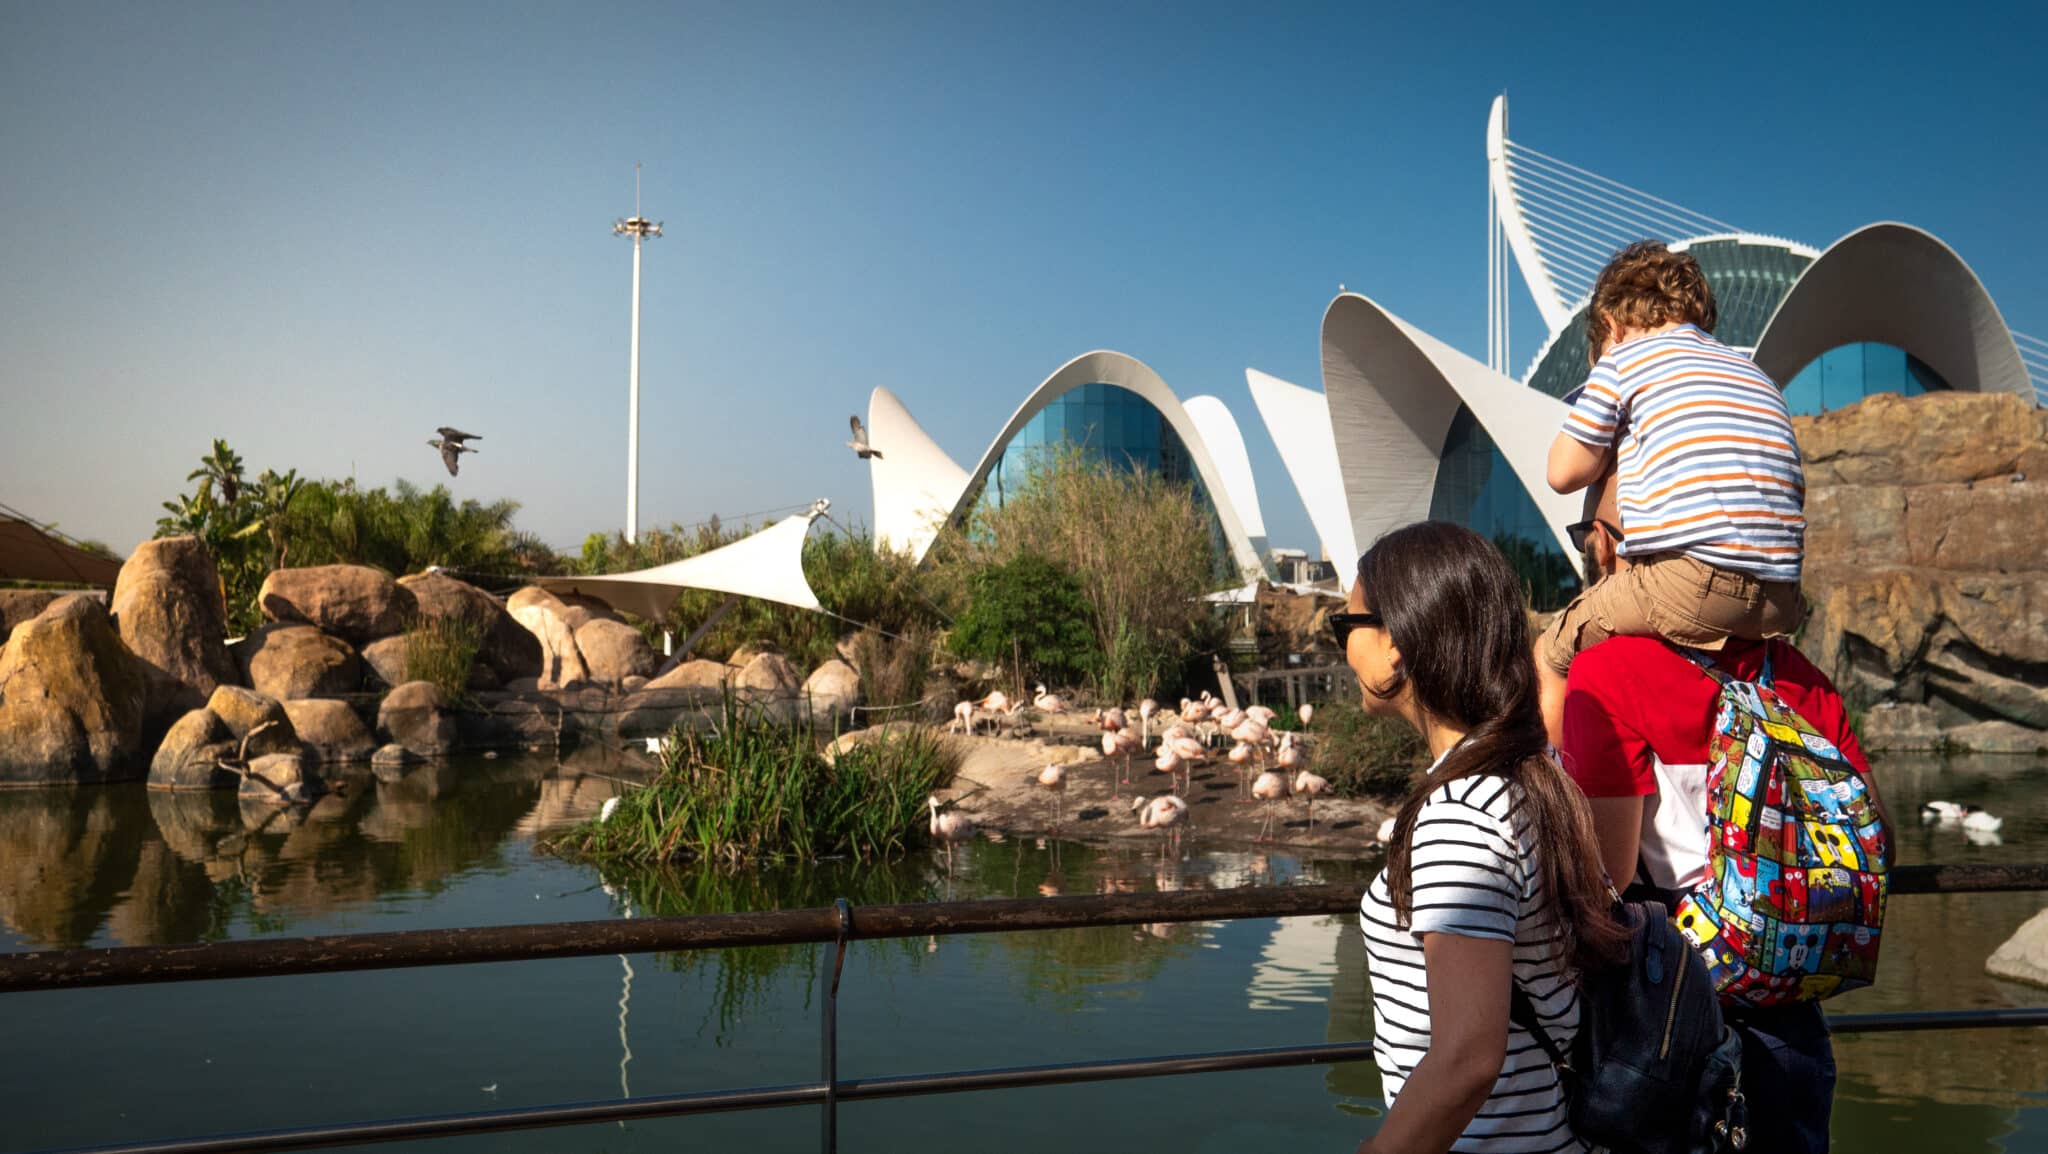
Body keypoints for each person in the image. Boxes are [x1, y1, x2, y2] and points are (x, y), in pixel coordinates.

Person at [1557, 467, 1890, 1154]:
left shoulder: (1609, 671)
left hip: (1674, 1011)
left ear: (1613, 546)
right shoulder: (1797, 676)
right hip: (1795, 1011)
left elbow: (1608, 874)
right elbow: (1876, 836)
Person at [1346, 521, 1628, 1154]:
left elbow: (1469, 1056)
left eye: (1349, 627)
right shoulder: (1530, 774)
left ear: (1396, 642)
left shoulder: (1461, 814)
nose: (1344, 649)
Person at [1535, 240, 1807, 744]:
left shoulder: (1625, 360)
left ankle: (1549, 796)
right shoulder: (1755, 374)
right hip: (1782, 600)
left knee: (1550, 655)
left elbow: (1562, 472)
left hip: (1692, 583)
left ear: (1612, 326)